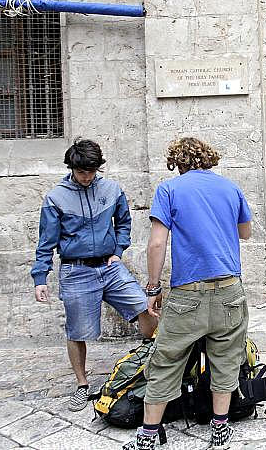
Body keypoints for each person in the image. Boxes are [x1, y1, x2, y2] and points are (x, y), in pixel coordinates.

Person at [124, 137, 252, 450]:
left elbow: (156, 244)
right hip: (229, 291)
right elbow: (245, 232)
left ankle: (149, 435)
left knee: (166, 361)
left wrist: (153, 288)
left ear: (177, 163)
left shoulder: (169, 190)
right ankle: (219, 430)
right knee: (226, 359)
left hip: (187, 294)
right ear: (209, 158)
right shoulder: (230, 188)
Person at [30, 138, 156, 413]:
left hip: (110, 267)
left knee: (144, 307)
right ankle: (82, 385)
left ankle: (151, 359)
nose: (87, 177)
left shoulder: (111, 190)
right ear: (71, 168)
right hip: (76, 270)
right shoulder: (56, 197)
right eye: (81, 172)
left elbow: (123, 221)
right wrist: (40, 278)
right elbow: (46, 241)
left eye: (91, 171)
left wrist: (119, 250)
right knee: (78, 331)